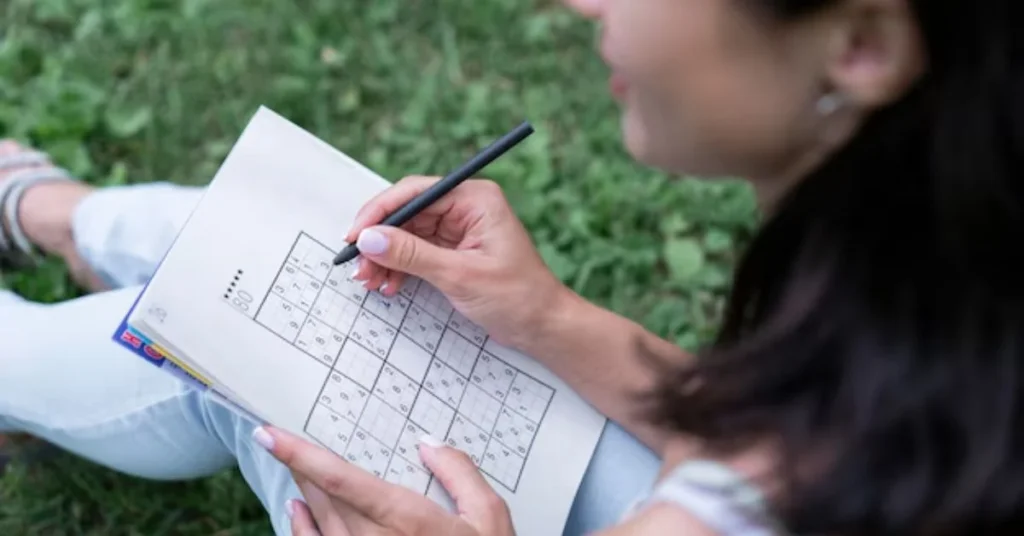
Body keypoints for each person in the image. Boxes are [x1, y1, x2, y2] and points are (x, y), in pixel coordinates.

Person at [2, 0, 1022, 533]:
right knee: (292, 281)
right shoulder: (944, 286)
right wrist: (541, 312)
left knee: (250, 366)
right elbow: (787, 424)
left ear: (859, 43)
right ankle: (57, 213)